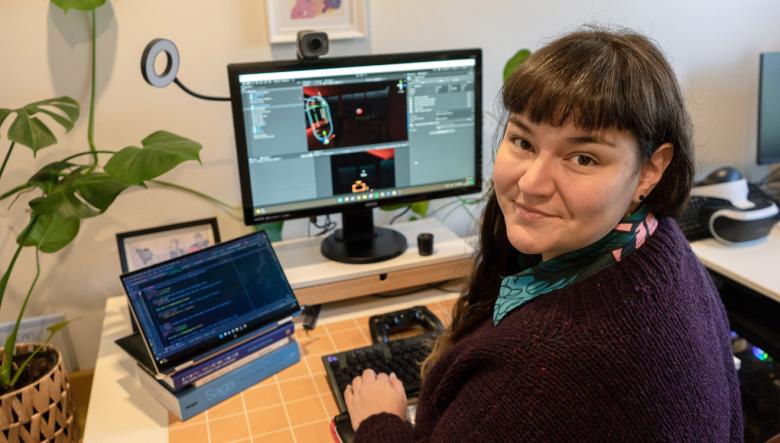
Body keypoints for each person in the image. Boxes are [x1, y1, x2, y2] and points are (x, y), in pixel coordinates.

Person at [344, 27, 743, 442]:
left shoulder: (538, 369)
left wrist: (379, 421)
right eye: (523, 141)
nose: (532, 184)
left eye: (583, 158)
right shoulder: (660, 244)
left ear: (650, 170)